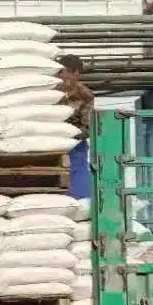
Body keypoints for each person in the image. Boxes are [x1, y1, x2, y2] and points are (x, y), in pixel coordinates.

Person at [57, 55, 96, 199]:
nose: (62, 77)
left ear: (76, 74)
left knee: (79, 190)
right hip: (48, 143)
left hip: (75, 146)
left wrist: (68, 135)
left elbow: (87, 127)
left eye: (66, 74)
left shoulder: (85, 96)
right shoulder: (48, 90)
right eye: (60, 73)